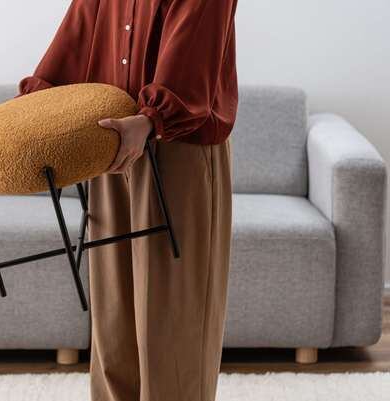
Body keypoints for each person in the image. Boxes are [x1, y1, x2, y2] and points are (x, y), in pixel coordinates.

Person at [18, 0, 238, 400]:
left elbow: (194, 46)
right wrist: (36, 106)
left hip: (179, 148)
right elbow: (75, 37)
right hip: (112, 146)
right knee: (114, 316)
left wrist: (151, 120)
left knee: (172, 320)